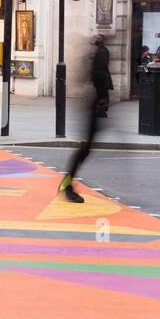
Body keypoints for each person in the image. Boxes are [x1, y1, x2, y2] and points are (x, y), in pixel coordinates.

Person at [60, 36, 113, 204]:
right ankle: (67, 186)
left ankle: (67, 184)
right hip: (92, 107)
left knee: (85, 149)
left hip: (92, 105)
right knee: (84, 149)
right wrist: (103, 99)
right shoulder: (101, 53)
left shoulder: (96, 53)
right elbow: (100, 76)